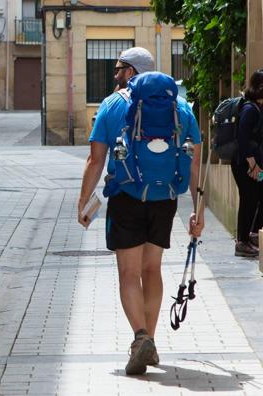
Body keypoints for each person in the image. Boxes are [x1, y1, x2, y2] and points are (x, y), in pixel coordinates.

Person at [77, 47, 204, 375]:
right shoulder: (181, 107)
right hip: (164, 198)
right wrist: (198, 211)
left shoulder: (111, 104)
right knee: (152, 270)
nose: (116, 74)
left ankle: (140, 337)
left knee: (129, 273)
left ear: (132, 71)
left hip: (127, 196)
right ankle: (151, 341)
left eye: (120, 68)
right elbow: (194, 163)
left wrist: (83, 200)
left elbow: (95, 159)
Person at [231, 69, 263, 257]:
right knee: (249, 198)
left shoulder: (258, 109)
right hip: (245, 166)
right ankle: (242, 242)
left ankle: (252, 233)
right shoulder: (250, 109)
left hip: (256, 166)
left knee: (259, 195)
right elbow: (243, 139)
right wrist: (253, 165)